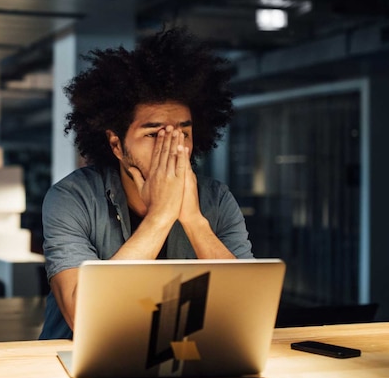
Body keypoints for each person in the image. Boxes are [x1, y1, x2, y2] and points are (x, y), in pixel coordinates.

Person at [39, 28, 253, 340]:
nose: (174, 148)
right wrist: (160, 217)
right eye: (153, 135)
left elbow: (248, 307)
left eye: (183, 133)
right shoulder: (70, 199)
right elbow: (81, 314)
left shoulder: (217, 200)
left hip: (181, 360)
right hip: (74, 366)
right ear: (116, 144)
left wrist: (194, 222)